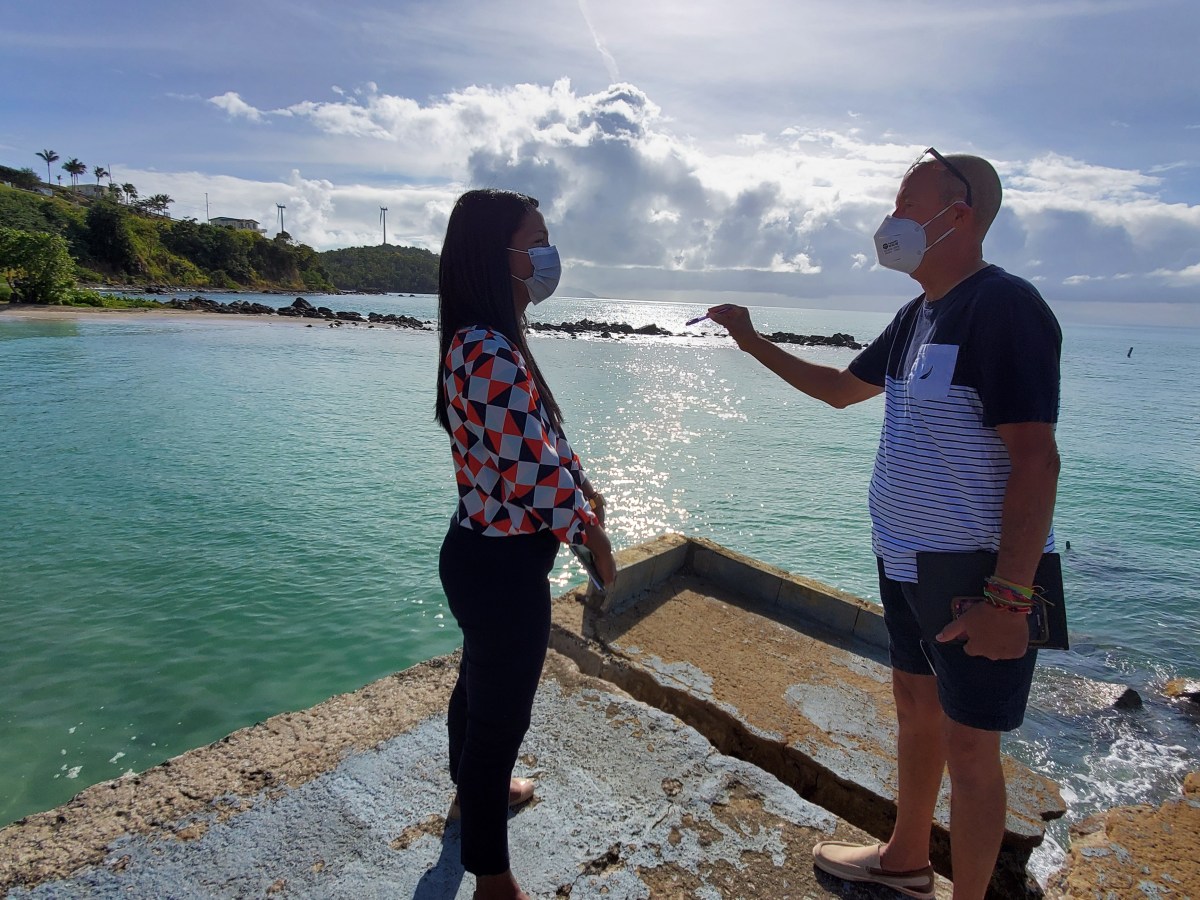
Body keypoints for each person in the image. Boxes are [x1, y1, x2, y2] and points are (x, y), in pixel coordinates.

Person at [707, 150, 1061, 900]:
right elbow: (840, 390)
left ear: (957, 215)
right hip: (906, 563)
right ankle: (905, 858)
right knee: (915, 711)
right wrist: (750, 341)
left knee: (972, 751)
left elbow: (1036, 460)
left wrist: (1009, 601)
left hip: (973, 578)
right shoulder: (917, 316)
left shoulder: (1005, 307)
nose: (890, 221)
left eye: (906, 205)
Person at [435, 188, 617, 900]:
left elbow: (541, 445)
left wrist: (585, 485)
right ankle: (493, 878)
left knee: (478, 687)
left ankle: (469, 796)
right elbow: (532, 469)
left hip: (484, 556)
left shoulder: (486, 341)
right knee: (498, 723)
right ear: (498, 256)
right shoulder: (487, 348)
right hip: (500, 568)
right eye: (535, 240)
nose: (547, 255)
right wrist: (593, 537)